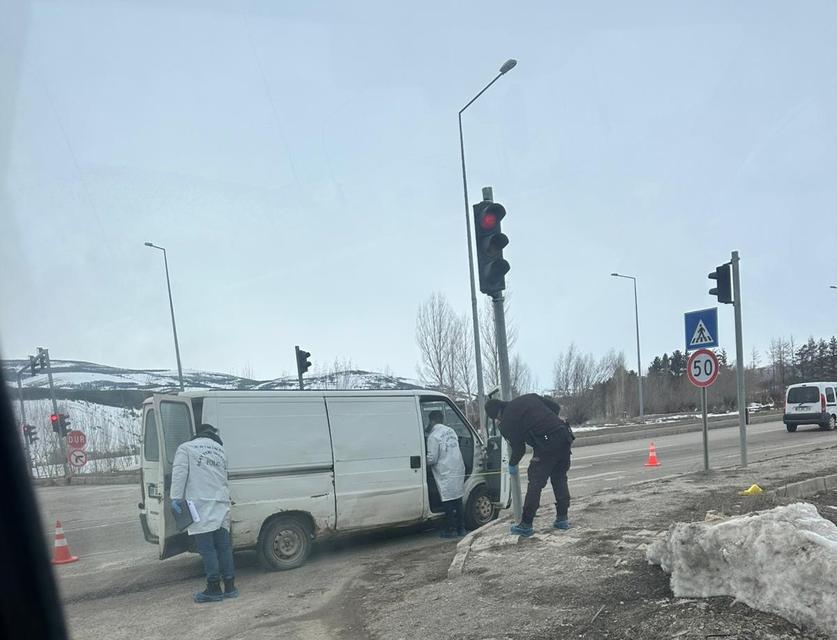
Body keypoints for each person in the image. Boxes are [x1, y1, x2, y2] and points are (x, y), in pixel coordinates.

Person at [484, 395, 574, 537]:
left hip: (546, 444)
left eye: (497, 418)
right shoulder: (528, 397)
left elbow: (519, 449)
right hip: (564, 436)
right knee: (560, 478)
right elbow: (555, 407)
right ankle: (562, 519)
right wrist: (547, 423)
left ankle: (526, 524)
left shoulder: (506, 422)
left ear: (496, 416)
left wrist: (512, 464)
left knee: (535, 483)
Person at [170, 423, 238, 603]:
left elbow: (179, 473)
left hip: (199, 504)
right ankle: (230, 587)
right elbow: (224, 477)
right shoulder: (221, 450)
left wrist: (175, 498)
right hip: (221, 503)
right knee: (224, 546)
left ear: (197, 434)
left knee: (207, 549)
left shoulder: (186, 448)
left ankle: (214, 589)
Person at [425, 410, 467, 538]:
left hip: (445, 471)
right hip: (457, 468)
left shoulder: (433, 436)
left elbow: (432, 458)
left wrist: (421, 461)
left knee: (448, 500)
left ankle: (451, 529)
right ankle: (461, 528)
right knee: (458, 499)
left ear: (432, 421)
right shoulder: (451, 431)